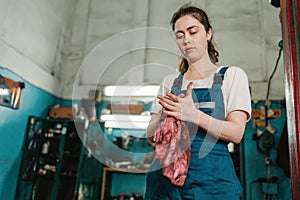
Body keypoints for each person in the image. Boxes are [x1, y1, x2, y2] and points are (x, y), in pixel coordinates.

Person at [144, 4, 251, 200]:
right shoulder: (170, 82)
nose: (187, 39)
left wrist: (194, 115)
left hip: (212, 181)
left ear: (209, 33)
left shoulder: (231, 76)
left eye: (193, 31)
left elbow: (236, 133)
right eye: (180, 35)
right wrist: (163, 121)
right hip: (165, 181)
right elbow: (150, 135)